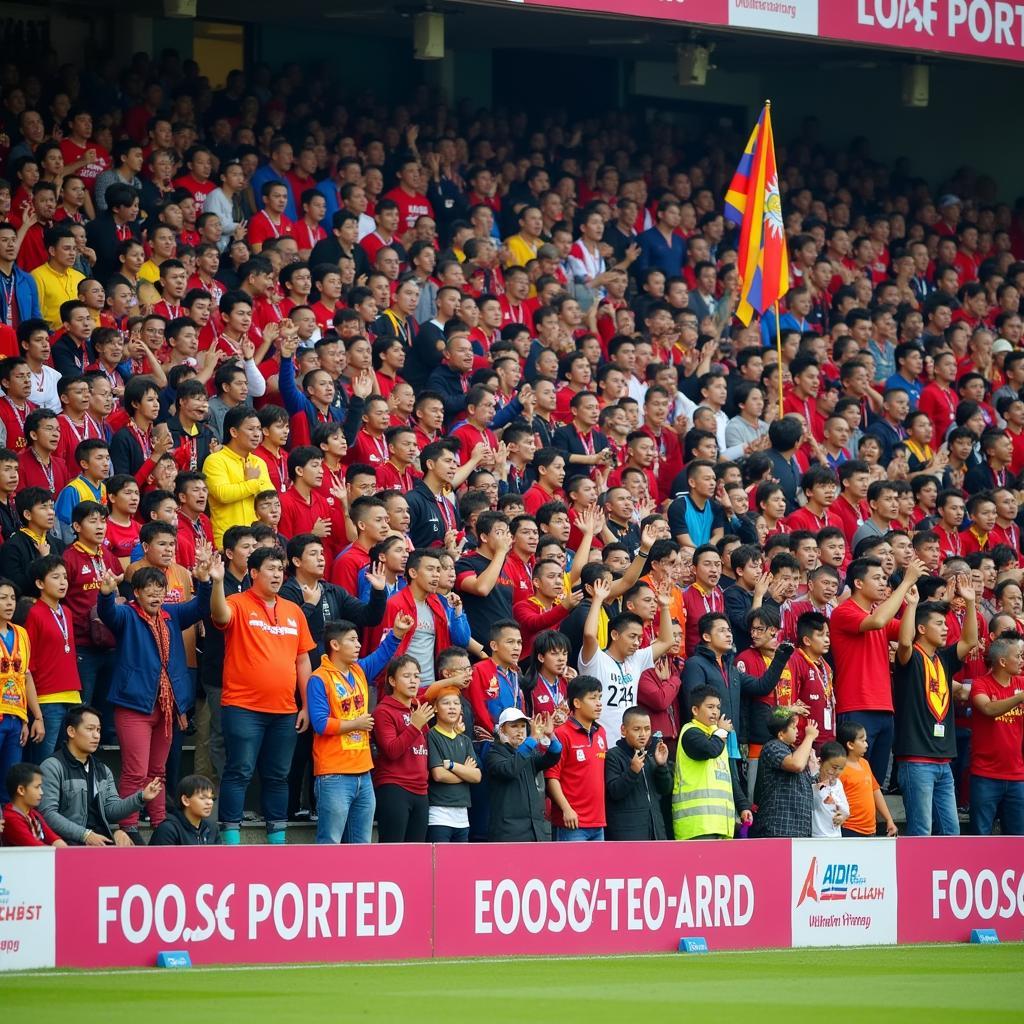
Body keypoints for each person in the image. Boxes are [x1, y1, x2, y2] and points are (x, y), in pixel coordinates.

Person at [96, 556, 213, 837]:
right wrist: (106, 593)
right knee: (135, 771)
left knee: (157, 771)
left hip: (167, 706)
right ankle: (129, 825)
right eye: (149, 591)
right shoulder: (127, 615)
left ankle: (161, 823)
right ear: (136, 593)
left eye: (159, 591)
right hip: (134, 704)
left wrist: (205, 581)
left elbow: (201, 606)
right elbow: (109, 613)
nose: (156, 596)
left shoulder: (172, 615)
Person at [210, 545, 315, 845]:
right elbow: (220, 615)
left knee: (277, 776)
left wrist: (305, 704)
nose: (278, 574)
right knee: (239, 771)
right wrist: (217, 581)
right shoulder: (238, 602)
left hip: (284, 710)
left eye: (281, 569)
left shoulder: (293, 610)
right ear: (254, 572)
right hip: (243, 706)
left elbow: (302, 660)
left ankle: (277, 840)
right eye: (270, 568)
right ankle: (231, 837)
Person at [307, 615, 411, 845]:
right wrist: (356, 724)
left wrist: (397, 634)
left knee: (362, 845)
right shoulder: (318, 679)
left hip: (364, 773)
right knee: (330, 842)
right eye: (352, 640)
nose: (358, 645)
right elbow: (321, 723)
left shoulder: (359, 670)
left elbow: (381, 656)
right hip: (333, 773)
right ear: (335, 645)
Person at [830, 555, 926, 787]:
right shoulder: (844, 612)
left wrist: (911, 604)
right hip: (856, 705)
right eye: (876, 578)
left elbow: (907, 637)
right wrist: (904, 583)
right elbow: (879, 621)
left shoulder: (877, 612)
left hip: (884, 707)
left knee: (873, 783)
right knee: (851, 782)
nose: (883, 582)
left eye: (884, 578)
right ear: (858, 583)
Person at [893, 576, 977, 836]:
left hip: (943, 760)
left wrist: (971, 603)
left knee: (951, 832)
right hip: (916, 761)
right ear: (921, 628)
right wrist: (911, 605)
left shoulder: (944, 658)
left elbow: (969, 641)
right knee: (921, 830)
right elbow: (905, 642)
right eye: (939, 624)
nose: (945, 629)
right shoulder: (910, 657)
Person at [40, 705, 162, 846]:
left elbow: (111, 810)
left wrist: (141, 797)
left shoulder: (102, 770)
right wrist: (85, 835)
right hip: (68, 844)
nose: (96, 735)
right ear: (71, 731)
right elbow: (48, 814)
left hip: (100, 841)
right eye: (90, 729)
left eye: (98, 730)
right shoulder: (52, 766)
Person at [579, 573, 674, 742]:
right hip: (602, 743)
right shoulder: (597, 659)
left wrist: (665, 607)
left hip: (629, 744)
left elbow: (667, 641)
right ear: (615, 634)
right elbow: (589, 635)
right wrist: (597, 600)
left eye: (639, 637)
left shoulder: (636, 659)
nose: (637, 642)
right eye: (632, 636)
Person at [672, 685, 751, 840]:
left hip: (721, 825)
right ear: (695, 710)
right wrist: (721, 731)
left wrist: (743, 806)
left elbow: (728, 776)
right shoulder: (690, 732)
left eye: (718, 707)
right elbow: (710, 750)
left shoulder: (716, 735)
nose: (715, 711)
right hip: (697, 826)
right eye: (710, 707)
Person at [372, 654, 435, 842]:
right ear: (392, 680)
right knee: (393, 852)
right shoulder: (384, 711)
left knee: (416, 855)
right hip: (394, 787)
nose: (413, 681)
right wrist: (415, 725)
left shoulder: (417, 709)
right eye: (406, 676)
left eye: (416, 676)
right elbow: (391, 750)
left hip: (421, 790)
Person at [969, 633, 1024, 836]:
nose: (1021, 660)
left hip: (1018, 775)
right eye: (1017, 656)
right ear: (1002, 661)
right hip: (985, 775)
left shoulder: (1021, 682)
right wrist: (1018, 698)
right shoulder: (980, 684)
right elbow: (988, 709)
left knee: (1018, 840)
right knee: (980, 837)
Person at [545, 674, 608, 842]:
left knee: (596, 869)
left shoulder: (601, 732)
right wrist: (566, 809)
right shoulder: (562, 734)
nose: (599, 703)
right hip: (571, 823)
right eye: (593, 698)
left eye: (600, 697)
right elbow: (552, 777)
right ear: (577, 703)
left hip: (598, 822)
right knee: (570, 869)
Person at [485, 707, 561, 842]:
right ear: (502, 730)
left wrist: (551, 736)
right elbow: (510, 769)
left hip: (535, 831)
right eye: (514, 726)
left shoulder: (529, 753)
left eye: (522, 726)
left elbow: (551, 759)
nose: (520, 730)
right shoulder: (494, 753)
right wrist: (531, 740)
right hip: (509, 834)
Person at [0, 575, 43, 799]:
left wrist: (34, 718)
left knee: (10, 780)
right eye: (3, 598)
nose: (9, 603)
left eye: (12, 598)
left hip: (16, 717)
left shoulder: (22, 634)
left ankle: (8, 830)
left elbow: (26, 676)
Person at [603, 705, 671, 840]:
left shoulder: (650, 757)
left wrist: (662, 766)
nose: (643, 734)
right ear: (624, 730)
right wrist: (633, 771)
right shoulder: (613, 755)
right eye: (637, 729)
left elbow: (665, 790)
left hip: (655, 832)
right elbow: (614, 792)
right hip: (627, 836)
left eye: (647, 729)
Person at [750, 707, 818, 838]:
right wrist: (809, 737)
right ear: (781, 734)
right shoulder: (773, 746)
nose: (797, 731)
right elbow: (796, 765)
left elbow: (808, 784)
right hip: (778, 828)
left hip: (800, 828)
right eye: (794, 728)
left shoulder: (795, 752)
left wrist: (815, 769)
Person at [426, 685, 481, 842]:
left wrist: (452, 766)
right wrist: (465, 772)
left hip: (462, 814)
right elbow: (439, 774)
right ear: (435, 708)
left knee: (460, 864)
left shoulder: (464, 740)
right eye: (446, 703)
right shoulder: (432, 735)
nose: (452, 708)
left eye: (456, 703)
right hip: (438, 814)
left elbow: (477, 776)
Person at [837, 720, 898, 838]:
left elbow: (875, 791)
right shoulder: (840, 769)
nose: (867, 744)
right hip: (849, 829)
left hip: (870, 830)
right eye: (862, 740)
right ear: (850, 745)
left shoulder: (865, 764)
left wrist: (889, 819)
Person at [2, 761, 67, 847]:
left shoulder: (33, 813)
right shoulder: (10, 818)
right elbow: (37, 849)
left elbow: (54, 839)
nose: (41, 792)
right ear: (21, 790)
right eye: (37, 787)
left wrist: (63, 848)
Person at [148, 774, 220, 846]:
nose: (210, 802)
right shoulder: (168, 829)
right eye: (203, 798)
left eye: (211, 798)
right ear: (185, 800)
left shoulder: (212, 828)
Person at [811, 741, 850, 838]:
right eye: (834, 767)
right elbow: (815, 803)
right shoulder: (812, 782)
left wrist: (842, 817)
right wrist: (823, 783)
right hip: (816, 836)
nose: (837, 772)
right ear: (820, 762)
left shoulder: (838, 784)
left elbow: (846, 810)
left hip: (835, 836)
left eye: (841, 768)